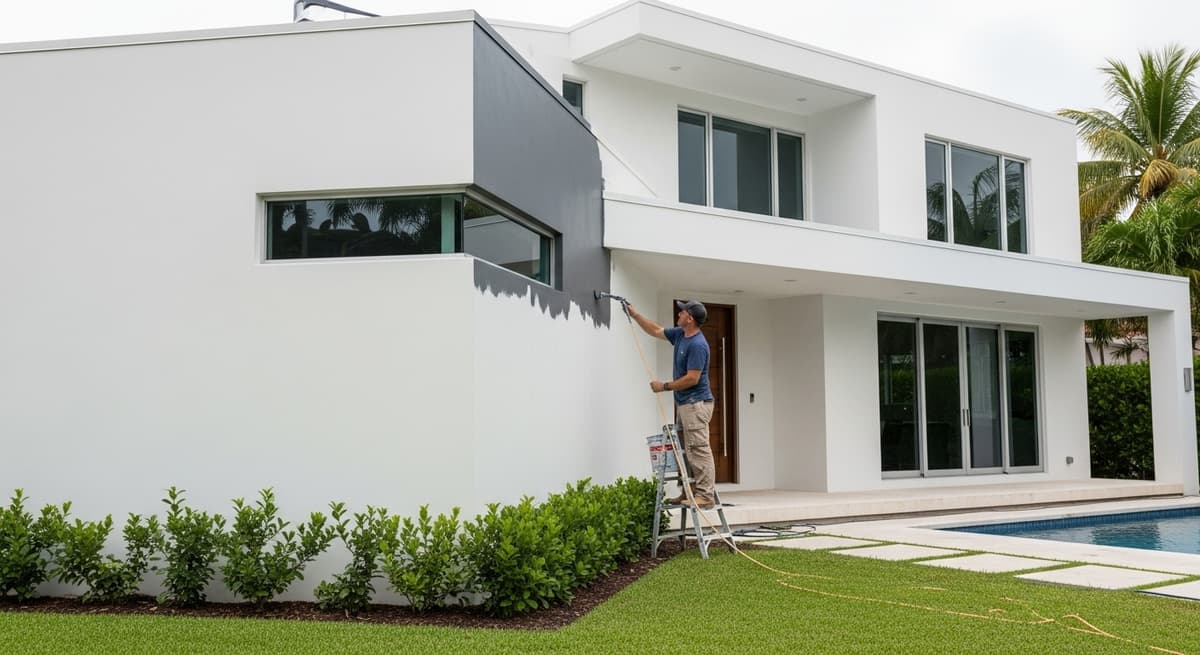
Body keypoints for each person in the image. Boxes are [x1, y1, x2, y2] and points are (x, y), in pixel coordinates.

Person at [626, 299, 716, 509]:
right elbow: (655, 330)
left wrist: (664, 386)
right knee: (686, 450)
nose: (679, 314)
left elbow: (692, 378)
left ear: (690, 318)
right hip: (685, 404)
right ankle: (689, 491)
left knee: (698, 448)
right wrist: (635, 314)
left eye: (682, 312)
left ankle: (705, 495)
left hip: (696, 404)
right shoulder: (680, 335)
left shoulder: (698, 345)